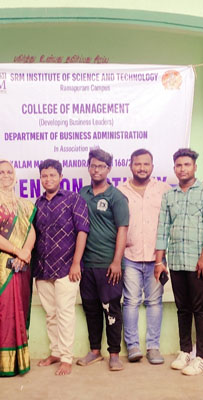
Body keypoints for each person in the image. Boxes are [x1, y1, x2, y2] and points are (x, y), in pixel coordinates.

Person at [155, 148, 203, 376]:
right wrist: (159, 261)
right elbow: (162, 229)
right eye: (179, 165)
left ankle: (202, 357)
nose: (182, 169)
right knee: (182, 308)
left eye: (187, 165)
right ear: (174, 168)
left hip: (198, 262)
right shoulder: (169, 196)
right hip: (176, 260)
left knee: (200, 308)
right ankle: (185, 351)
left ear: (195, 167)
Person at [0, 160, 35, 376]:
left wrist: (26, 252)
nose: (5, 175)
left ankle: (19, 362)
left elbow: (30, 230)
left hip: (21, 266)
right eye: (0, 172)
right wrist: (16, 251)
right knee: (2, 312)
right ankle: (2, 365)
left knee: (19, 309)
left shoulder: (23, 204)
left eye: (9, 172)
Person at [32, 159, 89, 376]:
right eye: (44, 176)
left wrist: (76, 263)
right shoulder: (38, 203)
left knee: (65, 313)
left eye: (52, 175)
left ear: (61, 177)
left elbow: (82, 231)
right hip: (43, 268)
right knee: (51, 314)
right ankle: (55, 352)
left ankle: (66, 358)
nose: (48, 179)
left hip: (67, 267)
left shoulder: (73, 199)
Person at [77, 148, 129, 371]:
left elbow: (123, 229)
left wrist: (116, 261)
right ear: (88, 167)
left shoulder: (116, 197)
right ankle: (95, 351)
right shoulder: (83, 193)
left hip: (109, 265)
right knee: (91, 308)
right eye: (93, 165)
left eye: (101, 166)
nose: (96, 170)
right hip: (87, 264)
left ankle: (114, 355)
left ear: (109, 169)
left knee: (111, 309)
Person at [118, 149, 171, 364]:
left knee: (154, 302)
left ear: (152, 166)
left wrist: (162, 257)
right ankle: (132, 346)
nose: (142, 168)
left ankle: (153, 347)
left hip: (156, 258)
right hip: (129, 256)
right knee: (130, 301)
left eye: (146, 164)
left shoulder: (164, 190)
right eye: (138, 164)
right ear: (130, 165)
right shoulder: (120, 191)